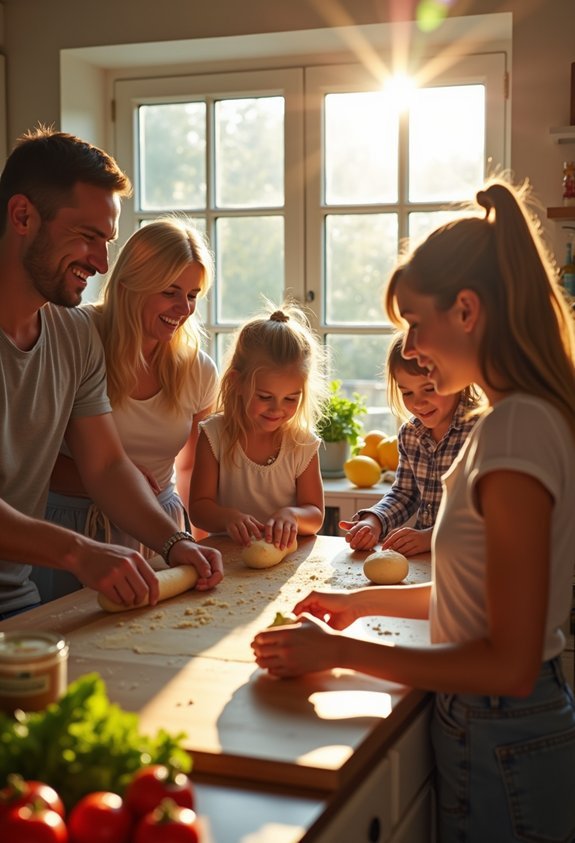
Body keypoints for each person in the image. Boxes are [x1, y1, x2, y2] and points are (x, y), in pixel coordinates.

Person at [252, 178, 575, 842]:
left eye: (414, 321)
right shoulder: (520, 420)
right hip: (497, 725)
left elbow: (507, 661)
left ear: (465, 309)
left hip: (499, 728)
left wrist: (337, 651)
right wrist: (361, 607)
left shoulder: (514, 429)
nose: (413, 344)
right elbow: (475, 599)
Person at [0, 126, 223, 620]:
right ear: (22, 216)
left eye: (108, 242)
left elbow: (103, 466)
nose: (102, 262)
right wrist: (79, 552)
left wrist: (175, 543)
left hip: (15, 598)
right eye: (88, 237)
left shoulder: (73, 336)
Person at [42, 218, 218, 599]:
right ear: (129, 285)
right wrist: (117, 476)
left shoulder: (198, 369)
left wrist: (193, 544)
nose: (183, 308)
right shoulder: (75, 336)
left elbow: (187, 470)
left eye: (192, 294)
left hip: (162, 530)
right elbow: (33, 460)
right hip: (70, 528)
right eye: (170, 292)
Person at [188, 302, 328, 550]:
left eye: (291, 399)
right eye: (265, 397)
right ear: (237, 383)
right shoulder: (215, 435)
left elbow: (315, 514)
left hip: (285, 558)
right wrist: (227, 517)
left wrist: (293, 515)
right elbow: (199, 508)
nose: (277, 409)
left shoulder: (302, 444)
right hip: (230, 557)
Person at [340, 332, 480, 556]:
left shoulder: (481, 429)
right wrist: (374, 520)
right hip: (427, 559)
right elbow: (405, 494)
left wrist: (431, 537)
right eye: (407, 392)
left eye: (429, 389)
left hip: (469, 557)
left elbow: (483, 511)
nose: (418, 402)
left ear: (456, 377)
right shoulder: (410, 434)